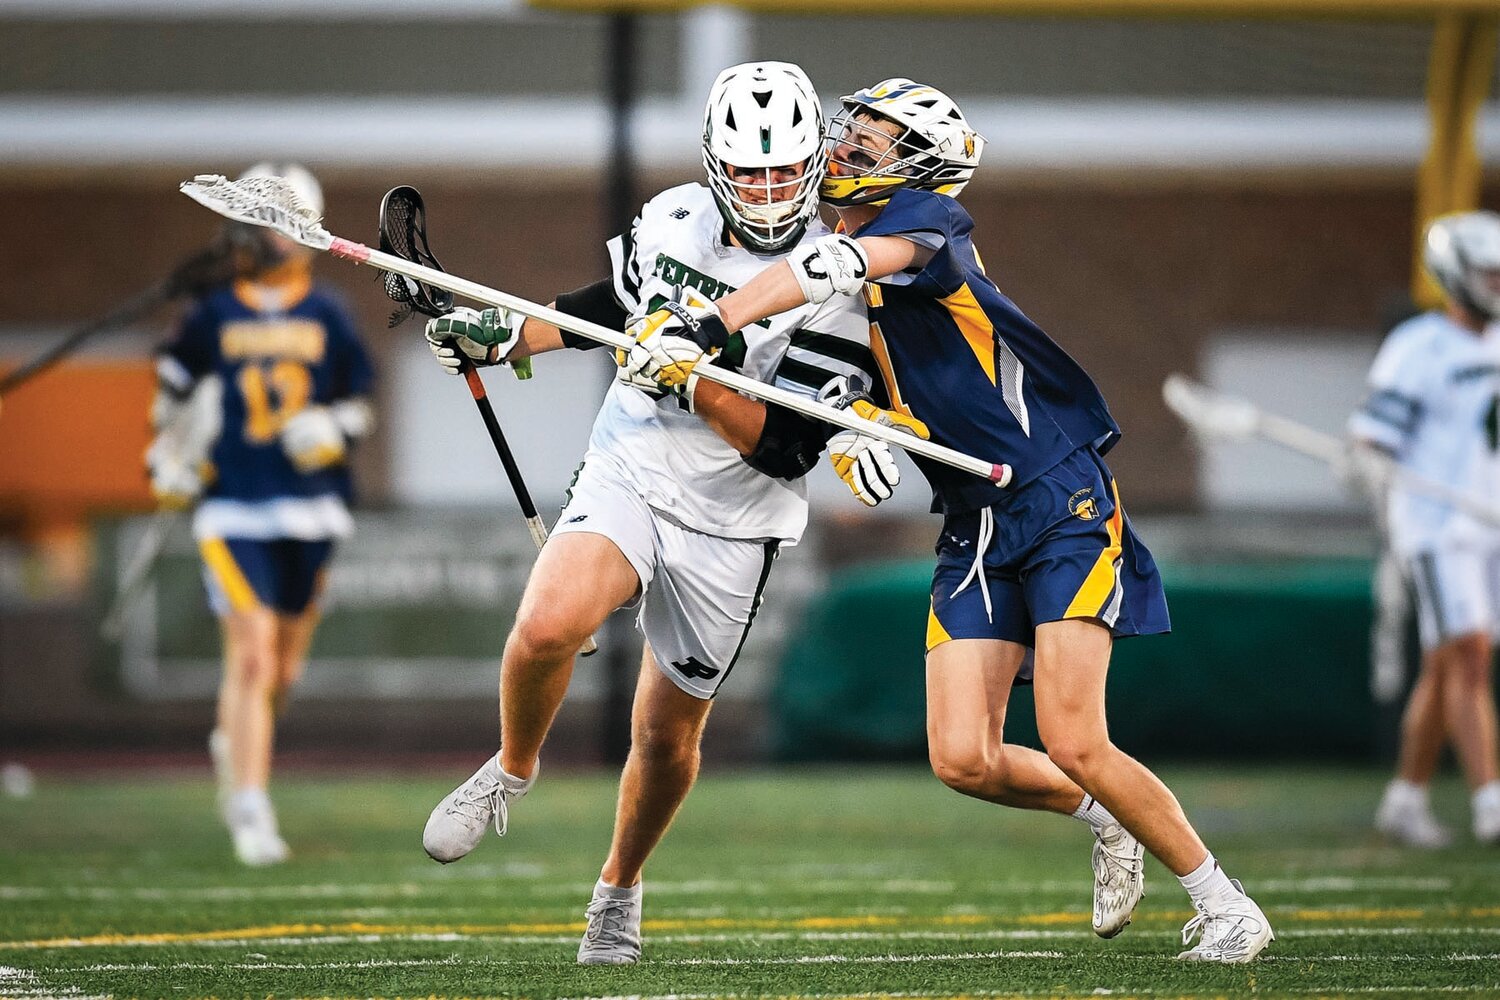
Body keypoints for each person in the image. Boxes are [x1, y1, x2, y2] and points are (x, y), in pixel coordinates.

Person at [623, 78, 1275, 963]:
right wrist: (866, 427)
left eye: (874, 139)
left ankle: (1225, 902)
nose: (848, 145)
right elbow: (876, 385)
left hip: (1057, 499)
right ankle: (1107, 821)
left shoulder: (922, 227)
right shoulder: (836, 249)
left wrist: (714, 321)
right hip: (975, 516)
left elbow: (832, 269)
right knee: (964, 757)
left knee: (1074, 736)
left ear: (922, 163)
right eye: (851, 130)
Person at [418, 62, 876, 964]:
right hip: (632, 461)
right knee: (549, 624)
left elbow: (785, 447)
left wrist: (697, 382)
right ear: (716, 166)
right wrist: (507, 334)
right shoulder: (671, 218)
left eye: (787, 171)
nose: (772, 190)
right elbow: (614, 311)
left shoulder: (839, 284)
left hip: (735, 516)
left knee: (665, 735)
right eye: (752, 173)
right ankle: (512, 768)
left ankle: (617, 891)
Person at [149, 162, 375, 866]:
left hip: (312, 509)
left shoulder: (328, 312)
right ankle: (249, 803)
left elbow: (362, 400)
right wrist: (169, 452)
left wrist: (337, 426)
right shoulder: (212, 311)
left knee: (279, 673)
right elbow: (170, 400)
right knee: (249, 656)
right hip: (235, 505)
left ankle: (238, 742)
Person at [1350, 209, 1500, 848]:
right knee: (1469, 653)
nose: (1495, 284)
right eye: (1486, 274)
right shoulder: (1417, 348)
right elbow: (1372, 443)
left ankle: (1405, 799)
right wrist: (1369, 463)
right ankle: (1491, 803)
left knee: (1447, 664)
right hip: (1438, 529)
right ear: (1453, 274)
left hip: (1489, 523)